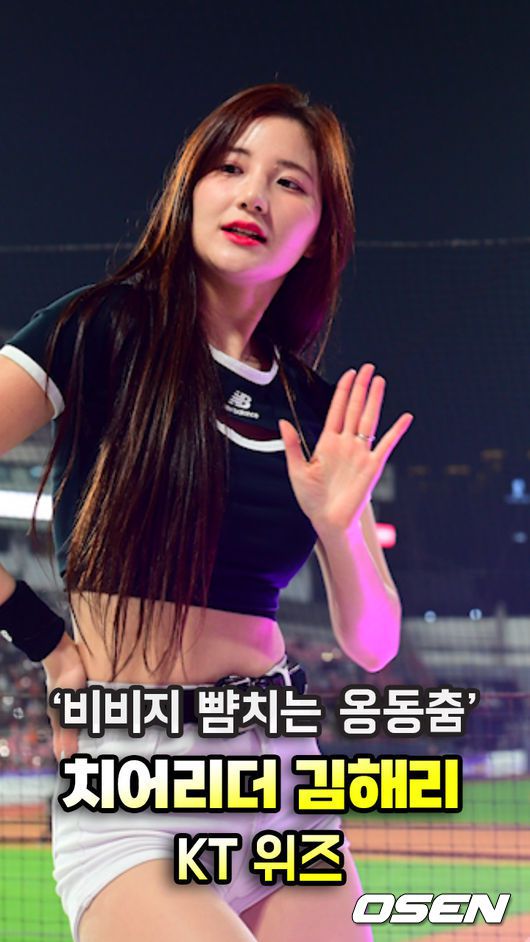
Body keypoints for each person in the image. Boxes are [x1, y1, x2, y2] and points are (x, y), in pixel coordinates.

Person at [0, 82, 413, 942]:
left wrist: (339, 524)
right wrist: (46, 641)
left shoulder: (315, 410)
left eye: (289, 182)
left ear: (317, 233)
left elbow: (374, 644)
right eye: (231, 167)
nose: (254, 195)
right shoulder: (101, 328)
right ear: (192, 189)